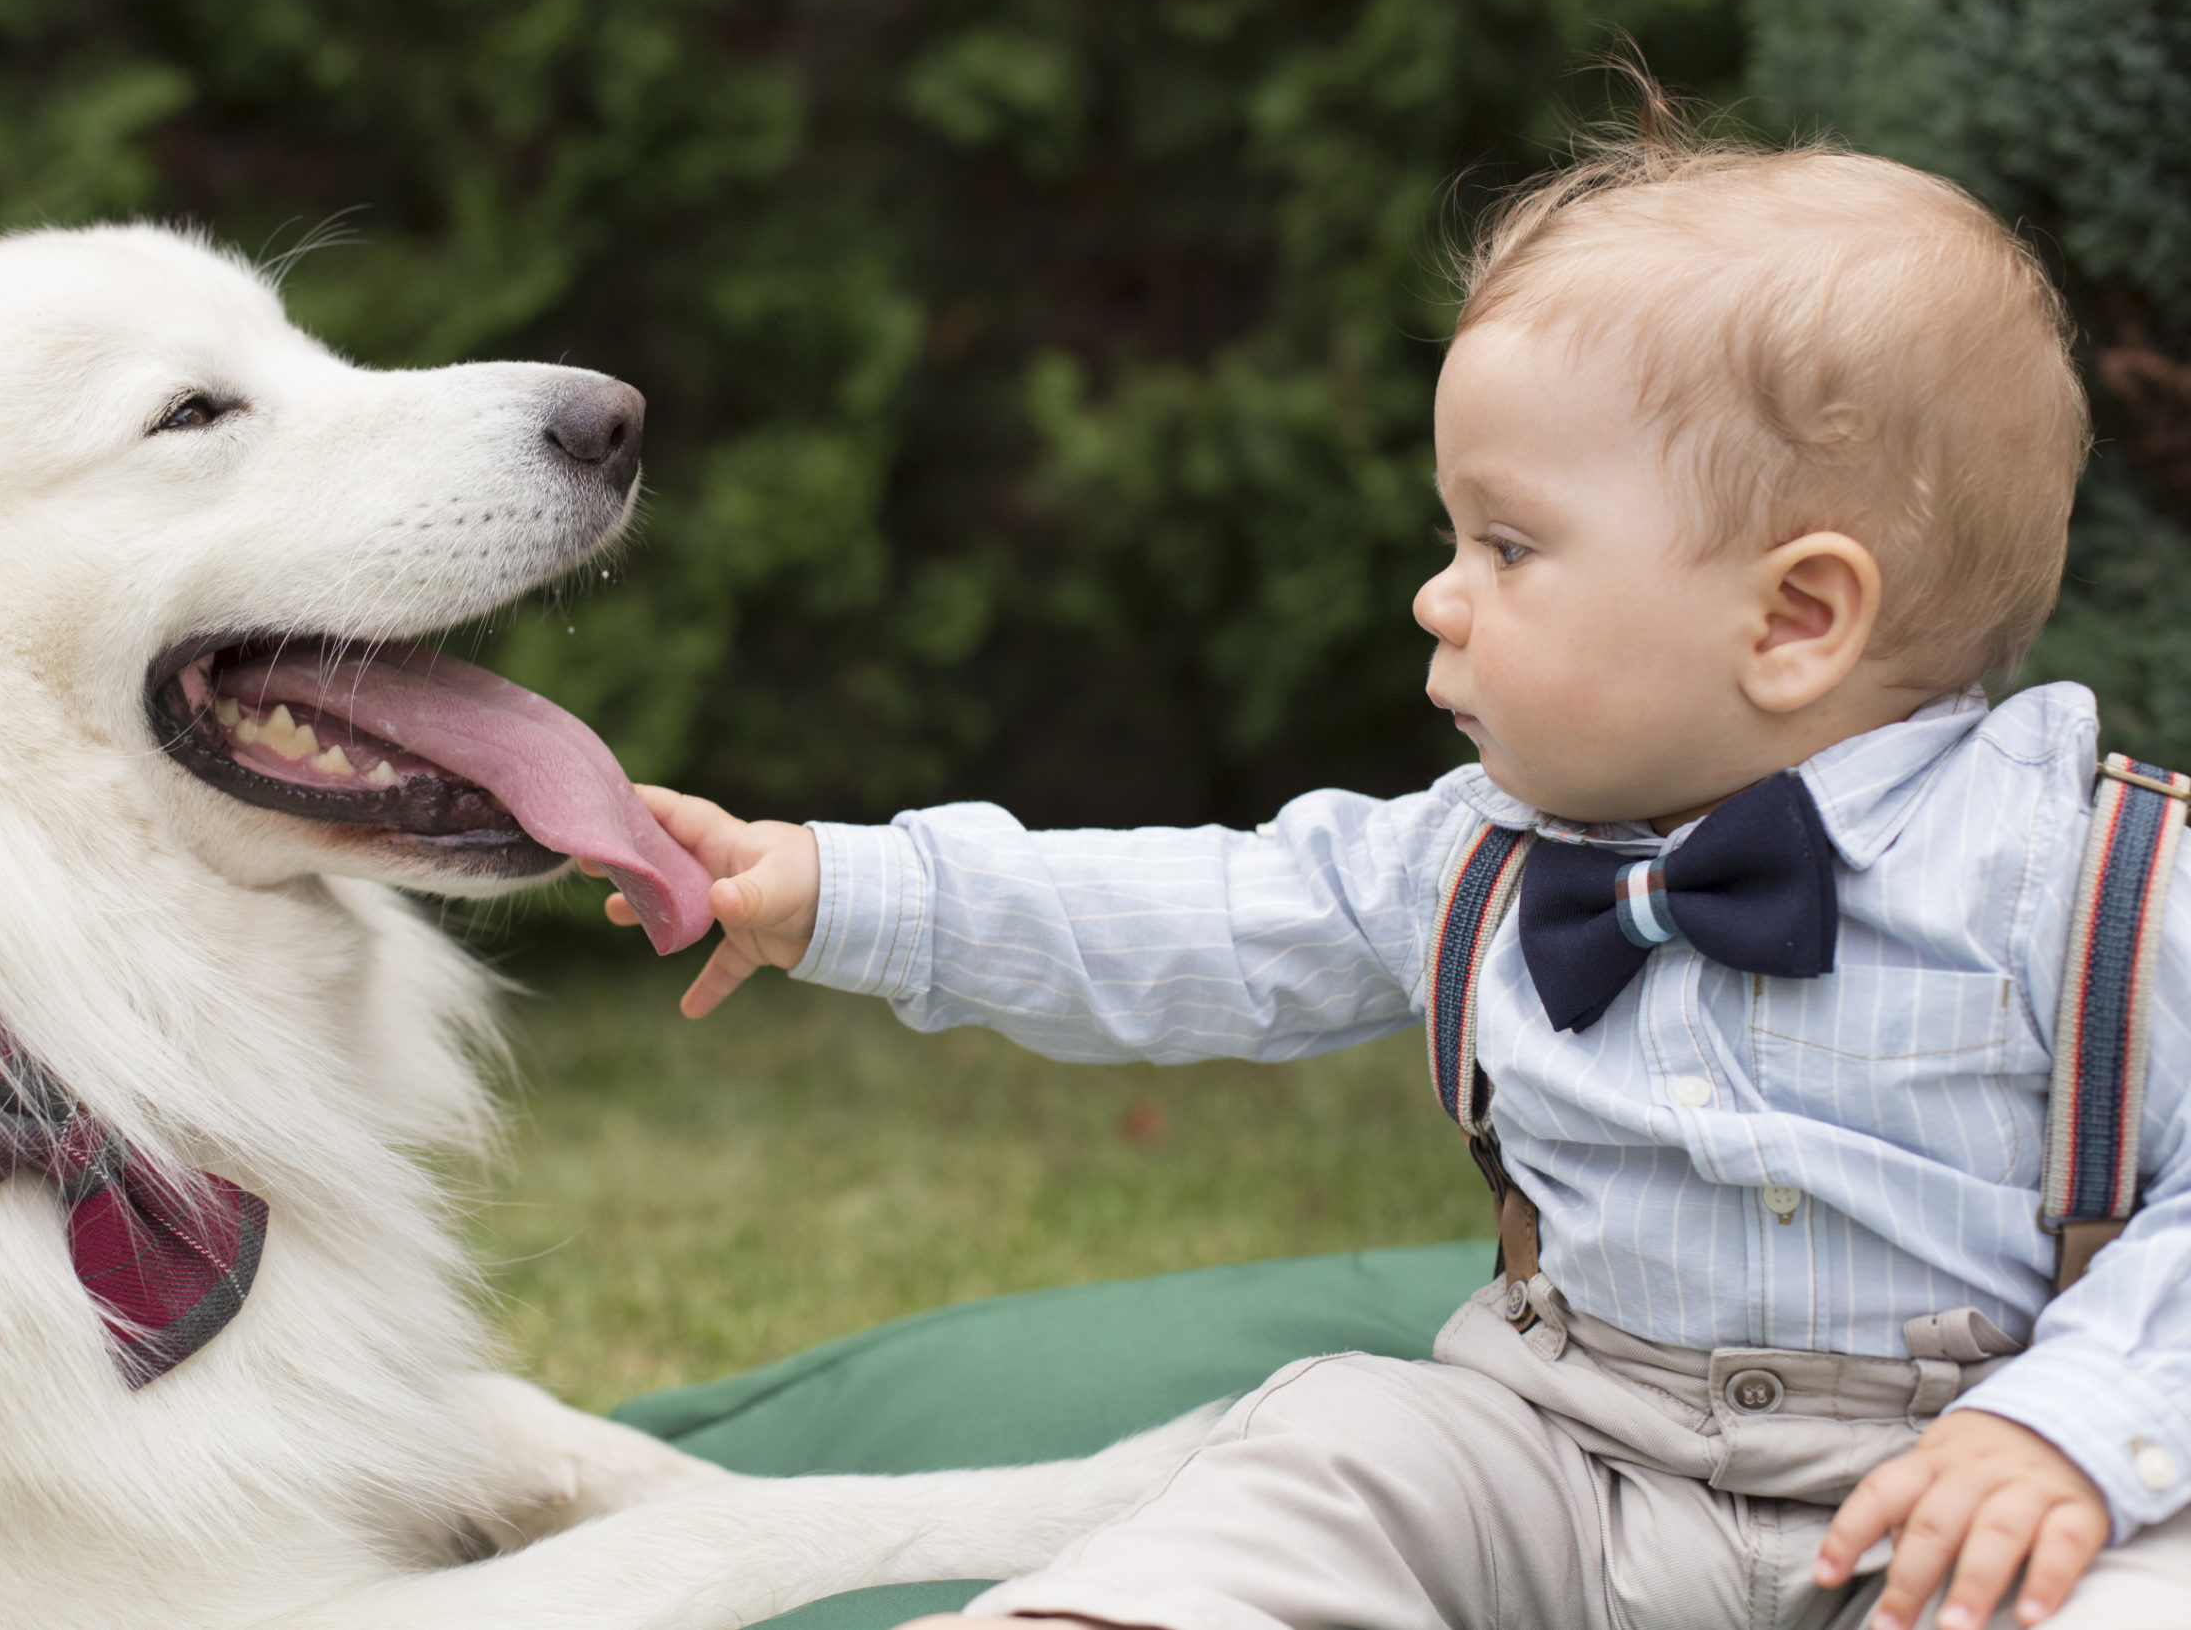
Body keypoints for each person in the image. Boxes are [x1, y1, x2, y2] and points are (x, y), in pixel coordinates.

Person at [588, 88, 2191, 1630]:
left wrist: (2070, 1424)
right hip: (1575, 1460)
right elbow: (1191, 919)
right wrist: (848, 889)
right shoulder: (1472, 862)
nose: (1439, 594)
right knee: (1334, 1441)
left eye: (1505, 542)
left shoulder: (2101, 880)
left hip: (1966, 1488)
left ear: (1794, 619)